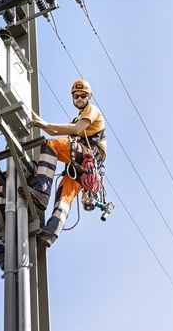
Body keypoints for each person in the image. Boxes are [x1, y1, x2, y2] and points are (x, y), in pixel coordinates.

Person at [19, 78, 106, 247]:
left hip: (88, 156)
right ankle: (50, 233)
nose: (79, 99)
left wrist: (46, 125)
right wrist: (31, 114)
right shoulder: (78, 118)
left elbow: (75, 130)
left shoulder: (92, 110)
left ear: (89, 96)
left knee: (52, 145)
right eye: (76, 97)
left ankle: (42, 192)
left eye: (82, 96)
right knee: (64, 195)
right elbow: (53, 128)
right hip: (85, 168)